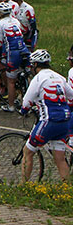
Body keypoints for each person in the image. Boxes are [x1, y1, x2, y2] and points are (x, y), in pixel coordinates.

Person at [20, 49, 72, 183]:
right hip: (64, 121)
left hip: (49, 121)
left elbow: (26, 102)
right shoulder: (59, 77)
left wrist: (24, 111)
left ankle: (23, 186)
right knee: (60, 158)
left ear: (36, 65)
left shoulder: (38, 79)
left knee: (28, 152)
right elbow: (71, 95)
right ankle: (67, 189)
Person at [0, 2, 29, 112]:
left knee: (11, 81)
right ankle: (29, 103)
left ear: (0, 13)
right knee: (27, 75)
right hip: (24, 49)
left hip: (13, 52)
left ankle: (11, 106)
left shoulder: (0, 23)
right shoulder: (16, 21)